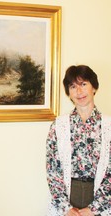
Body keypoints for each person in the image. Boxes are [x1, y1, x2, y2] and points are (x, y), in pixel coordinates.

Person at [46, 65, 111, 216]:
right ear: (69, 93)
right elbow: (52, 169)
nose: (79, 91)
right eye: (73, 86)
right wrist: (66, 208)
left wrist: (94, 208)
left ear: (94, 87)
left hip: (102, 201)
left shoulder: (108, 125)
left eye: (83, 84)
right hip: (68, 199)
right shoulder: (59, 125)